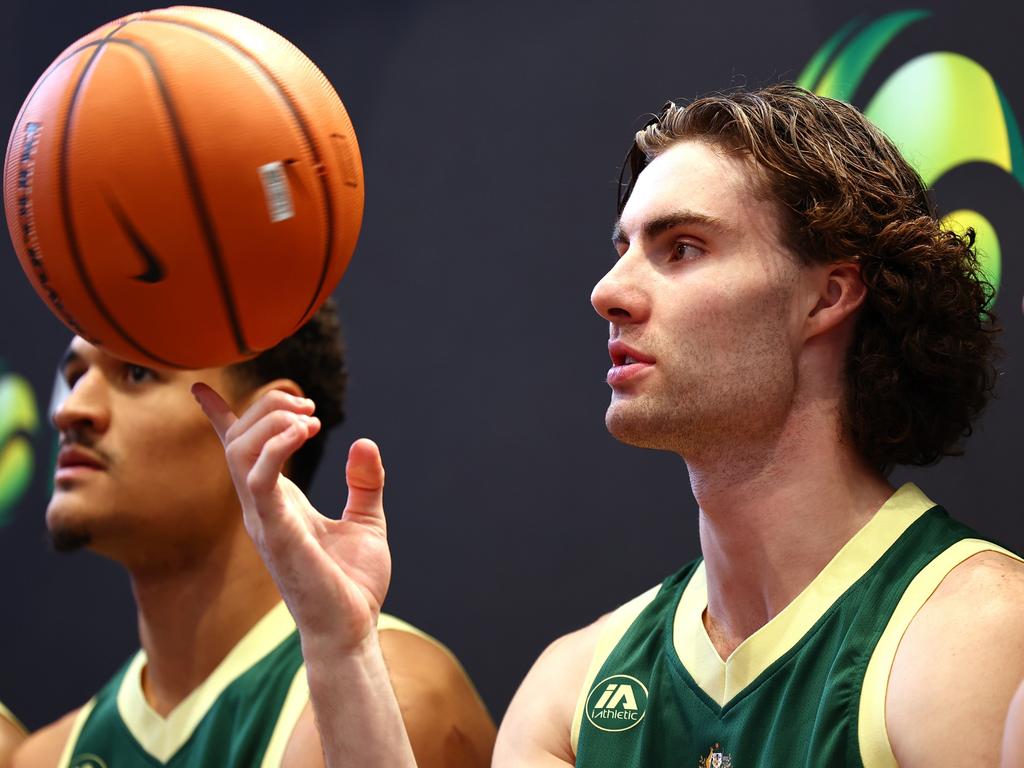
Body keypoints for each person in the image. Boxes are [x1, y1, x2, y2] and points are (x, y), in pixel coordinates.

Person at [491, 85, 1024, 767]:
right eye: (624, 247)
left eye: (682, 248)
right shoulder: (572, 689)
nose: (608, 292)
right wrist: (345, 649)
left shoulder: (978, 638)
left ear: (825, 297)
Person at [10, 300, 495, 768]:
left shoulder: (400, 698)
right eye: (75, 376)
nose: (70, 410)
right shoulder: (48, 757)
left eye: (137, 373)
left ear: (270, 427)